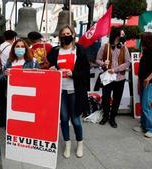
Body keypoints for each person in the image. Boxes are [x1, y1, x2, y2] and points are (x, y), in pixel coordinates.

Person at [47, 25, 89, 158]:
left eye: (68, 33)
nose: (66, 36)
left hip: (75, 91)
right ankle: (67, 143)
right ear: (60, 37)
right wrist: (51, 70)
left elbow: (86, 72)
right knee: (64, 119)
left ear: (73, 34)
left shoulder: (80, 50)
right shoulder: (55, 51)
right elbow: (48, 67)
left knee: (76, 120)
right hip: (60, 91)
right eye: (63, 34)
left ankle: (80, 143)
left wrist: (73, 73)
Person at [96, 29, 130, 128]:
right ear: (116, 35)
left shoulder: (124, 48)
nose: (124, 35)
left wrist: (115, 69)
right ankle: (105, 116)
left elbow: (128, 62)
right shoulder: (105, 46)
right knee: (106, 98)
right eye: (122, 34)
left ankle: (112, 118)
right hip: (107, 78)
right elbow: (97, 59)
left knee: (117, 99)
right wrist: (103, 63)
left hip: (120, 78)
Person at [133, 32, 152, 138]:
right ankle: (143, 125)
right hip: (144, 80)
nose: (140, 41)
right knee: (143, 104)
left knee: (146, 105)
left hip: (150, 82)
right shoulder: (146, 51)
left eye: (142, 39)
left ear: (146, 40)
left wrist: (148, 79)